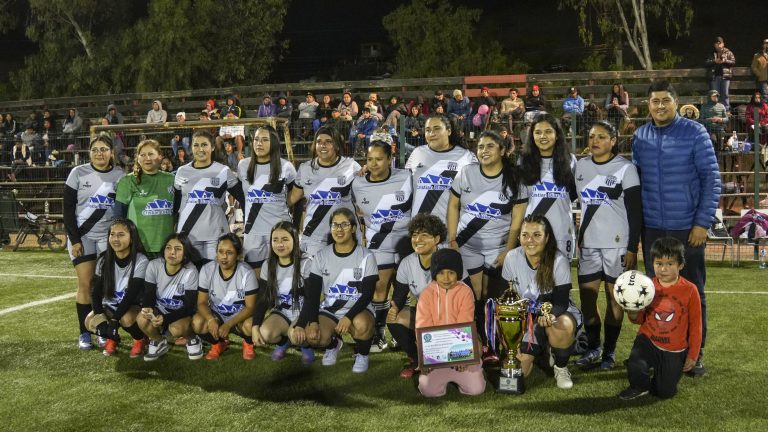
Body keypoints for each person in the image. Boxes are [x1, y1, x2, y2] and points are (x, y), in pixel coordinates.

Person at [632, 80, 720, 377]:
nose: (660, 106)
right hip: (654, 228)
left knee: (693, 292)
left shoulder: (695, 132)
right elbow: (636, 184)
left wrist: (702, 223)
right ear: (648, 105)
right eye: (654, 101)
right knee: (654, 293)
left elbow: (711, 179)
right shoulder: (640, 136)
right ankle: (659, 349)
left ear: (675, 101)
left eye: (665, 101)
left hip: (687, 229)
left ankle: (695, 353)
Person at [574, 121, 641, 370]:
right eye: (592, 136)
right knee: (588, 300)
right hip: (589, 245)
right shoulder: (580, 166)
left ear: (613, 141)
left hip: (618, 245)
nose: (595, 141)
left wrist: (632, 247)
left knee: (615, 300)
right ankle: (594, 348)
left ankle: (609, 353)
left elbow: (635, 212)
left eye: (602, 136)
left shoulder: (625, 168)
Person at [446, 130, 528, 323]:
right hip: (466, 245)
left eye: (490, 146)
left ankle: (493, 341)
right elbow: (453, 205)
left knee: (491, 294)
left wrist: (508, 250)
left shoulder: (515, 178)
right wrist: (452, 239)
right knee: (473, 294)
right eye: (480, 147)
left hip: (498, 248)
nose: (484, 150)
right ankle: (478, 339)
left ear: (502, 150)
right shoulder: (466, 172)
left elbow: (517, 220)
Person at [501, 214, 582, 389]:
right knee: (518, 373)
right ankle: (541, 350)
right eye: (525, 235)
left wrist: (550, 315)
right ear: (519, 237)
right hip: (526, 317)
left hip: (556, 312)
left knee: (562, 327)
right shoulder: (511, 258)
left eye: (537, 235)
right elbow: (507, 299)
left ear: (547, 238)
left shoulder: (558, 260)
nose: (530, 240)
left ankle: (560, 366)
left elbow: (561, 302)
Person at [293, 208, 378, 373]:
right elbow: (312, 295)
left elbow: (367, 294)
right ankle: (333, 345)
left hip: (358, 310)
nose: (339, 229)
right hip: (330, 310)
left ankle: (362, 354)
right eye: (335, 225)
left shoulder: (366, 256)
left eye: (344, 224)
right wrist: (312, 323)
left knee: (362, 325)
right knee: (312, 336)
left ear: (353, 228)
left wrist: (348, 317)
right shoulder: (321, 256)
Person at [619, 237, 702, 400]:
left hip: (674, 348)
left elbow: (696, 325)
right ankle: (639, 385)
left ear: (680, 266)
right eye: (659, 263)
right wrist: (633, 312)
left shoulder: (690, 290)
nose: (663, 269)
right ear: (652, 264)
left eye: (670, 264)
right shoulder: (647, 286)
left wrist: (693, 355)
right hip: (648, 340)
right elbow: (638, 319)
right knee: (636, 363)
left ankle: (662, 375)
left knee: (664, 392)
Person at [387, 214, 470, 377]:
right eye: (415, 234)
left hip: (452, 317)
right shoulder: (407, 263)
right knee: (393, 318)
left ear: (437, 239)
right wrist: (394, 307)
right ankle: (417, 359)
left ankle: (458, 355)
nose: (418, 239)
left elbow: (469, 295)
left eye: (424, 235)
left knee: (476, 349)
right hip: (425, 317)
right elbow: (399, 296)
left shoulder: (451, 259)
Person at [352, 133, 413, 352]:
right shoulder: (357, 183)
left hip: (406, 244)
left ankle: (399, 331)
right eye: (370, 159)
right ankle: (379, 334)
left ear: (390, 159)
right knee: (379, 290)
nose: (374, 164)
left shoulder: (407, 177)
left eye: (379, 159)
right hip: (378, 246)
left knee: (402, 289)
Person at [64, 134, 125, 350]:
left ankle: (101, 329)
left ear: (111, 153)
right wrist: (75, 239)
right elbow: (68, 209)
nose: (100, 153)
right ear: (90, 152)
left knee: (102, 287)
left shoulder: (120, 175)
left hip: (109, 240)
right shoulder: (77, 173)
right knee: (85, 284)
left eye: (104, 149)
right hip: (83, 237)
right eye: (95, 149)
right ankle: (84, 332)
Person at [415, 248, 486, 397]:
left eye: (451, 273)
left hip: (459, 350)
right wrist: (426, 358)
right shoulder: (426, 294)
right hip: (437, 354)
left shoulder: (465, 292)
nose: (446, 278)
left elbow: (464, 323)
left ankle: (474, 366)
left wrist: (462, 357)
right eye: (441, 273)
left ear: (458, 274)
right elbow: (423, 326)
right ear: (434, 274)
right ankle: (437, 374)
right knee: (428, 391)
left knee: (476, 389)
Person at [288, 126, 360, 257]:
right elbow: (292, 198)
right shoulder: (305, 169)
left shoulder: (351, 166)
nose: (323, 145)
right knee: (314, 276)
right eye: (319, 141)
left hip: (344, 234)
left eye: (329, 141)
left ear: (337, 145)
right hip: (315, 236)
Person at [174, 130, 244, 261]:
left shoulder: (223, 171)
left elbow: (243, 198)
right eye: (196, 145)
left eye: (204, 145)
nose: (200, 149)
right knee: (192, 274)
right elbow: (176, 203)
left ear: (212, 147)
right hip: (188, 233)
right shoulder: (182, 171)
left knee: (215, 274)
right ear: (191, 148)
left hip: (216, 233)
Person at [84, 219, 150, 357]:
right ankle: (111, 337)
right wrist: (101, 321)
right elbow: (95, 293)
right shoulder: (103, 260)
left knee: (126, 319)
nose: (115, 239)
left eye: (121, 235)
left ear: (132, 238)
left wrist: (114, 321)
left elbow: (131, 294)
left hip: (131, 306)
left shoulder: (141, 260)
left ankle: (140, 339)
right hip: (110, 306)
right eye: (112, 234)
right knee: (90, 322)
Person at [253, 222, 316, 364]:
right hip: (282, 313)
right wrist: (255, 326)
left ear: (295, 240)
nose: (279, 244)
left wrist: (300, 324)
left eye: (285, 239)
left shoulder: (306, 262)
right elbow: (263, 298)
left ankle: (304, 345)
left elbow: (311, 300)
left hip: (303, 313)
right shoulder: (268, 264)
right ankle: (285, 342)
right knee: (265, 333)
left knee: (297, 335)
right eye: (275, 240)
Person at [237, 125, 296, 275]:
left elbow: (297, 197)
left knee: (281, 278)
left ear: (274, 143)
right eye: (256, 139)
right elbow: (241, 196)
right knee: (256, 283)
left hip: (279, 231)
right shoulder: (243, 165)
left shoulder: (286, 167)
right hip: (253, 232)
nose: (259, 144)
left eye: (264, 140)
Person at [137, 233, 203, 361]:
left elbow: (189, 306)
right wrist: (148, 308)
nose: (172, 252)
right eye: (168, 247)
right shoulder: (154, 265)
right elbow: (149, 294)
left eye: (178, 249)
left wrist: (166, 319)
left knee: (176, 329)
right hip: (160, 311)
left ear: (185, 254)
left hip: (181, 313)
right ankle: (158, 341)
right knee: (141, 318)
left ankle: (192, 337)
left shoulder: (191, 271)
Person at [520, 113, 578, 259]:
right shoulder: (524, 161)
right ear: (532, 136)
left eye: (548, 131)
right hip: (532, 233)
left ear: (557, 135)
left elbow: (573, 194)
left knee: (560, 280)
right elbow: (521, 202)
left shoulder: (570, 161)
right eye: (538, 132)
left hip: (562, 231)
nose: (542, 136)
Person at [192, 233, 258, 360]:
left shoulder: (247, 272)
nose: (224, 256)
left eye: (229, 252)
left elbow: (250, 307)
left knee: (250, 325)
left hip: (240, 317)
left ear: (238, 255)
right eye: (220, 251)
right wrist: (211, 320)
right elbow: (201, 302)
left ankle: (248, 343)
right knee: (197, 322)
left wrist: (229, 324)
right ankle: (218, 344)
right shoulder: (207, 270)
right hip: (217, 315)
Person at [405, 115, 476, 220]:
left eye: (437, 129)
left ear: (449, 131)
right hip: (419, 229)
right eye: (427, 130)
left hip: (451, 229)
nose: (431, 134)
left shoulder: (467, 157)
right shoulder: (417, 153)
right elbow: (405, 189)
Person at [114, 139, 176, 259]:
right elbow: (118, 217)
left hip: (167, 247)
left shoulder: (172, 180)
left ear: (160, 156)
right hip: (138, 248)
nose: (147, 158)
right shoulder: (128, 181)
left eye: (151, 154)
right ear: (138, 158)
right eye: (142, 155)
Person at [706, 36, 735, 111]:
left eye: (720, 43)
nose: (718, 45)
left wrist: (725, 61)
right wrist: (714, 61)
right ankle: (716, 111)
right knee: (715, 95)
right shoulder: (711, 53)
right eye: (717, 43)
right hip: (714, 77)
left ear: (723, 44)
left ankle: (726, 111)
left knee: (725, 94)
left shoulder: (728, 52)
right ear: (714, 45)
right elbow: (706, 63)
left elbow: (733, 62)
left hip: (725, 77)